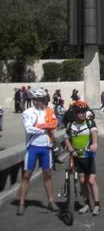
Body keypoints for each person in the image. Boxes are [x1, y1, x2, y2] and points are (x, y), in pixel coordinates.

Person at [17, 87, 58, 215]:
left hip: (46, 147)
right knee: (26, 176)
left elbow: (54, 124)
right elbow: (29, 129)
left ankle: (51, 201)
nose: (44, 102)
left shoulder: (48, 111)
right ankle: (22, 203)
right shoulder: (28, 112)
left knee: (48, 175)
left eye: (44, 99)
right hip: (33, 147)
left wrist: (43, 127)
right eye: (42, 99)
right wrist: (44, 128)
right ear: (35, 100)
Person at [63, 100, 101, 215]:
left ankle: (97, 205)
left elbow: (94, 133)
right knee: (82, 181)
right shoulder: (70, 125)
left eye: (85, 111)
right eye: (80, 112)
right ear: (75, 113)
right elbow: (66, 138)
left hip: (88, 155)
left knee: (91, 180)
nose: (83, 114)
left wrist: (94, 144)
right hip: (77, 156)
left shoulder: (90, 123)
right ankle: (86, 204)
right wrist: (70, 148)